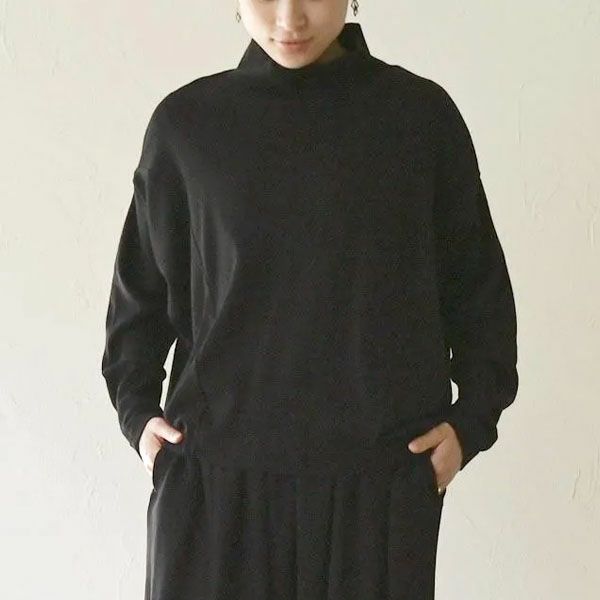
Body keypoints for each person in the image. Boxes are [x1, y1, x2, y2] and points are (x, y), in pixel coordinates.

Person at [101, 1, 519, 598]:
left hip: (377, 486)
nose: (289, 18)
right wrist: (139, 417)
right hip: (215, 484)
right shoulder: (187, 126)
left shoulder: (418, 119)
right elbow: (139, 296)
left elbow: (479, 294)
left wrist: (469, 425)